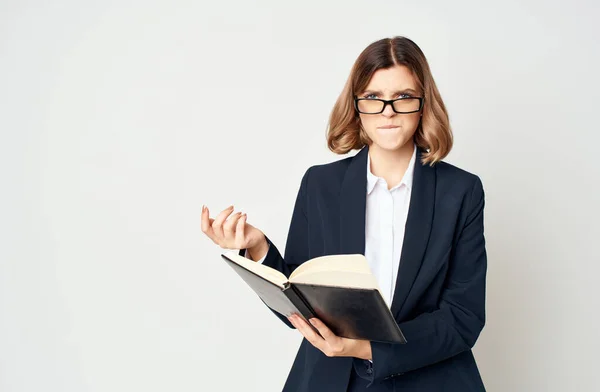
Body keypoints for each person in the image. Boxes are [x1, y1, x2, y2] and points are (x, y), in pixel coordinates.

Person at [201, 36, 487, 391]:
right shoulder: (320, 184)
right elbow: (299, 303)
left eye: (403, 97)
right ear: (356, 105)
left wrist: (362, 348)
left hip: (429, 379)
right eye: (373, 98)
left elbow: (463, 317)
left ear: (423, 104)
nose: (388, 112)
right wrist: (258, 248)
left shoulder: (461, 191)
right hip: (330, 380)